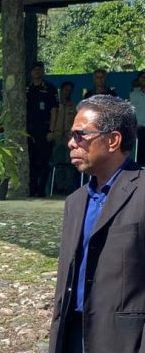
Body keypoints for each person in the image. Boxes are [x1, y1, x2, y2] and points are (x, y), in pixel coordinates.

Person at [49, 95, 144, 353]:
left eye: (81, 135)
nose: (71, 143)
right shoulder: (75, 202)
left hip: (124, 340)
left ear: (113, 140)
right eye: (72, 135)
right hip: (72, 335)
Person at [26, 61, 59, 197]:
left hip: (44, 129)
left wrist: (51, 130)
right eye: (35, 70)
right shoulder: (26, 88)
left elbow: (54, 110)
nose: (37, 72)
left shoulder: (50, 88)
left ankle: (41, 189)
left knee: (43, 161)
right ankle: (32, 188)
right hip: (28, 130)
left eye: (40, 69)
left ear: (43, 71)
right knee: (31, 160)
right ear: (31, 72)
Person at [48, 81, 79, 194]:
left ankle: (68, 187)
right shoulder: (55, 104)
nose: (68, 92)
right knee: (57, 163)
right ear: (61, 90)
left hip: (69, 138)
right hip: (56, 137)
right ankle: (58, 187)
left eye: (70, 90)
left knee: (70, 163)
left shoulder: (73, 106)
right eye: (66, 90)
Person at [127, 70, 145, 165]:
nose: (144, 79)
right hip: (138, 129)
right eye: (142, 77)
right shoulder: (133, 93)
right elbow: (130, 110)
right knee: (138, 157)